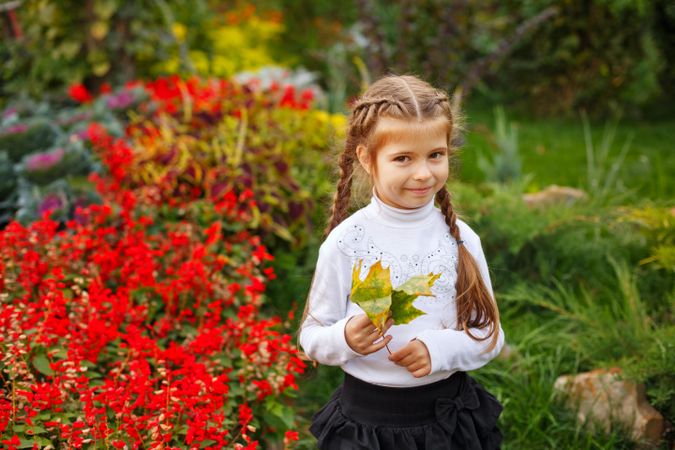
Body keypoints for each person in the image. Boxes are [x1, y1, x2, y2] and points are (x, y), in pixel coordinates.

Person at [299, 74, 505, 450]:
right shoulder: (347, 243)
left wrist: (439, 350)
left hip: (446, 417)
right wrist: (344, 337)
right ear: (367, 158)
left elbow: (489, 335)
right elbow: (312, 336)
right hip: (367, 422)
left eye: (435, 155)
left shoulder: (460, 240)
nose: (424, 173)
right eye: (403, 158)